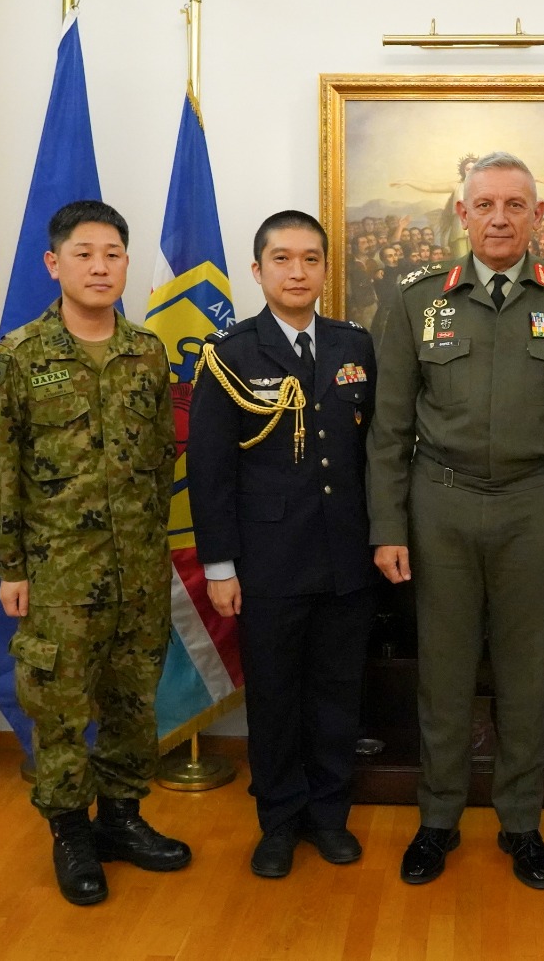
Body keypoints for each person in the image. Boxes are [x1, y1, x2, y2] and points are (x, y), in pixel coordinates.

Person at [368, 152, 544, 890]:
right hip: (440, 505)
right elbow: (388, 430)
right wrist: (388, 527)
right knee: (442, 674)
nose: (500, 219)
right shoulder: (417, 300)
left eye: (515, 205)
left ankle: (521, 822)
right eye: (485, 205)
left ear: (538, 215)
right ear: (463, 214)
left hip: (537, 506)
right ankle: (438, 818)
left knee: (525, 674)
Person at [0, 199, 190, 907]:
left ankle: (121, 818)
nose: (100, 267)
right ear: (53, 263)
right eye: (84, 253)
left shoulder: (147, 351)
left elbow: (162, 457)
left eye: (113, 254)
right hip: (58, 572)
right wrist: (10, 564)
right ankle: (70, 832)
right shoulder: (17, 357)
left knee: (132, 700)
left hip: (138, 569)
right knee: (59, 707)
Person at [190, 210, 379, 879]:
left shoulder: (355, 346)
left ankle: (328, 816)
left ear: (326, 268)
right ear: (258, 270)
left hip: (347, 558)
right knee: (273, 699)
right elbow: (209, 469)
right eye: (282, 259)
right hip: (266, 563)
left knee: (337, 695)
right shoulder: (230, 353)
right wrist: (219, 565)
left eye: (310, 259)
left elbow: (376, 452)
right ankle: (277, 821)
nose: (297, 272)